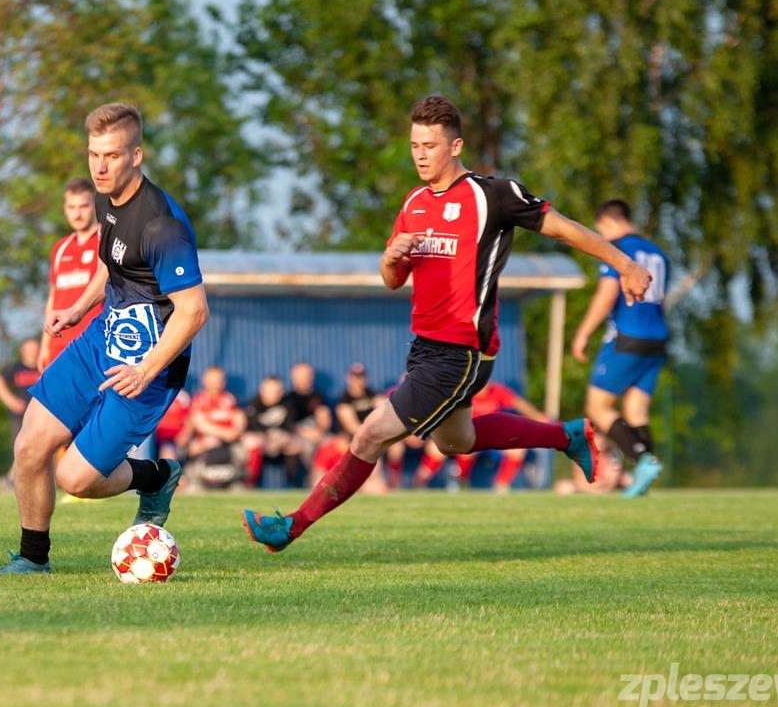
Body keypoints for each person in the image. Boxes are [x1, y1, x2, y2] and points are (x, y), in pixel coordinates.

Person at [242, 95, 652, 551]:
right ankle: (568, 435)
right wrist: (390, 258)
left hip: (462, 352)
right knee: (456, 442)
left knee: (369, 434)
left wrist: (624, 263)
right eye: (414, 145)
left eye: (430, 146)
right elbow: (393, 280)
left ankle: (290, 527)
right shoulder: (414, 202)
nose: (420, 155)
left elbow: (565, 228)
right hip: (424, 347)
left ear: (455, 146)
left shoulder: (493, 195)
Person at [0, 102, 209, 574]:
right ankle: (33, 559)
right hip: (99, 342)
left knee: (76, 479)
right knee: (29, 446)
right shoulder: (106, 199)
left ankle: (156, 476)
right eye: (94, 155)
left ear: (136, 155)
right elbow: (112, 265)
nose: (100, 167)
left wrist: (145, 369)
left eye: (111, 155)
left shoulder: (162, 225)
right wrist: (77, 309)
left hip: (145, 371)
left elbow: (194, 311)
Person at [570, 199, 669, 498]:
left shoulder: (618, 249)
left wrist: (583, 334)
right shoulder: (659, 253)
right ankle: (643, 479)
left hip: (627, 337)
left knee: (598, 407)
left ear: (607, 222)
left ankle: (643, 461)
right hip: (658, 338)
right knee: (636, 409)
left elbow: (607, 293)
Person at [37, 177, 104, 371]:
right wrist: (45, 345)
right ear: (65, 209)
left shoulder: (104, 241)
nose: (77, 213)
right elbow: (53, 298)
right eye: (72, 207)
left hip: (92, 343)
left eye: (84, 206)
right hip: (58, 346)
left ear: (94, 205)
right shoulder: (60, 248)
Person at [181, 365, 248, 489]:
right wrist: (221, 435)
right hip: (205, 444)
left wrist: (227, 436)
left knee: (251, 443)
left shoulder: (231, 399)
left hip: (228, 443)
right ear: (205, 381)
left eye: (219, 380)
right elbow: (199, 423)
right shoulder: (199, 400)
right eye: (213, 380)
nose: (216, 384)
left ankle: (247, 484)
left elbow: (239, 422)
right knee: (195, 446)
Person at [0, 337, 41, 492]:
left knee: (39, 447)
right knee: (22, 448)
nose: (33, 352)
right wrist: (10, 401)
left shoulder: (44, 365)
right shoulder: (16, 368)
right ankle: (11, 479)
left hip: (40, 415)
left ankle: (14, 480)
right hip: (21, 416)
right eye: (29, 349)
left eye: (35, 349)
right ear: (22, 351)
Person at [243, 374, 301, 489]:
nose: (274, 394)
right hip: (261, 441)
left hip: (279, 440)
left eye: (277, 391)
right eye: (270, 391)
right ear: (263, 390)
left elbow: (289, 427)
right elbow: (252, 428)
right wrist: (268, 438)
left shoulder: (287, 403)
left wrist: (279, 439)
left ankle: (293, 485)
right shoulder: (254, 403)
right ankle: (249, 483)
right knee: (252, 443)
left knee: (295, 445)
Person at [282, 361, 332, 467]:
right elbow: (289, 424)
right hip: (299, 435)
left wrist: (320, 431)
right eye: (301, 376)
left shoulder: (319, 397)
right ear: (293, 377)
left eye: (307, 375)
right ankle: (314, 475)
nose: (304, 379)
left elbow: (325, 419)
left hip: (319, 433)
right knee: (304, 446)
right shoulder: (288, 399)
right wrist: (308, 434)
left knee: (333, 444)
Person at [334, 362, 384, 436]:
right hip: (352, 436)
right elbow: (352, 427)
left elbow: (385, 410)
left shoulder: (373, 394)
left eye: (361, 376)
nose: (358, 380)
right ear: (348, 378)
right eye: (355, 377)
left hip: (373, 432)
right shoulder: (344, 399)